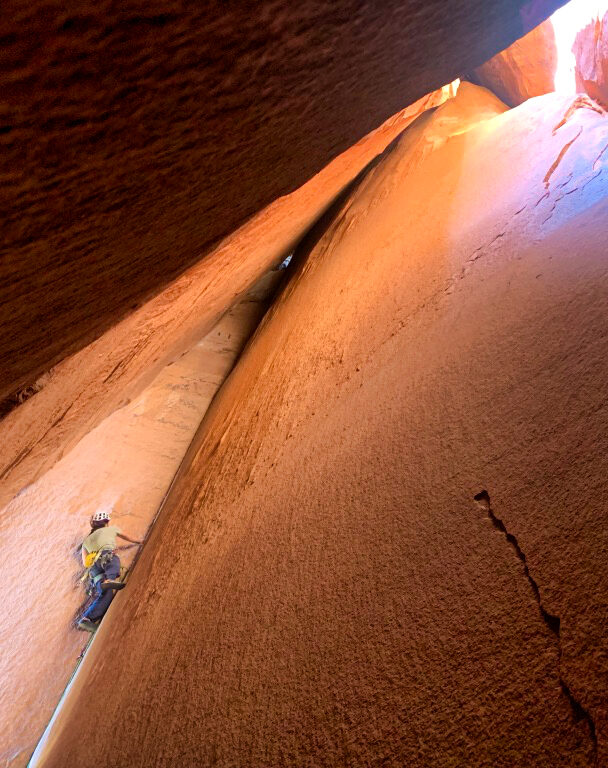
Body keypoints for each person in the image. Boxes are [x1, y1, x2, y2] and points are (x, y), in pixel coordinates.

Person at [77, 510, 141, 633]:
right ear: (107, 522)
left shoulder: (86, 541)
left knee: (106, 594)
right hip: (107, 557)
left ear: (93, 524)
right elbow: (129, 537)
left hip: (94, 570)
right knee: (114, 561)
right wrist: (140, 541)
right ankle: (108, 579)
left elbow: (85, 563)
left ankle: (86, 619)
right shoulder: (112, 529)